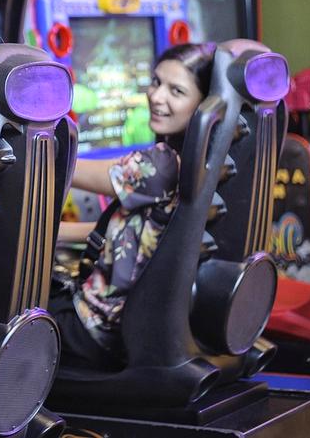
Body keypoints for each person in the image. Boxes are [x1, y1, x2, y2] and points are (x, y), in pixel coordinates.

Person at [51, 42, 215, 370]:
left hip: (95, 328)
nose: (156, 97)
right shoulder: (206, 162)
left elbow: (65, 167)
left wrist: (23, 146)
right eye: (156, 82)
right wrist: (50, 233)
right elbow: (128, 234)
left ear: (203, 106)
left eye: (176, 91)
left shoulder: (163, 167)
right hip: (124, 326)